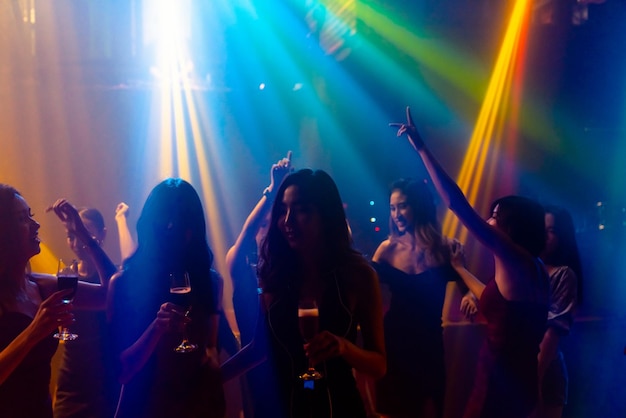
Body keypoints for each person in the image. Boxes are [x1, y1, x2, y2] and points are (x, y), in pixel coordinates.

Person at [391, 107, 549, 418]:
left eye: (495, 216)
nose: (488, 220)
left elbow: (456, 204)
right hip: (521, 381)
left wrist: (421, 148)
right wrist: (461, 269)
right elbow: (502, 306)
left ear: (511, 228)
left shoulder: (513, 256)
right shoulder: (535, 267)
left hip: (500, 383)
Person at [221, 168, 386, 418]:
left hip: (338, 406)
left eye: (300, 210)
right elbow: (260, 348)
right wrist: (211, 379)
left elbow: (379, 365)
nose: (287, 221)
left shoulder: (359, 275)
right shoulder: (272, 273)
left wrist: (344, 347)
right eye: (283, 211)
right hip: (283, 407)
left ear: (326, 215)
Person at [107, 178, 225, 418]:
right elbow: (119, 371)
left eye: (182, 218)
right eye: (165, 217)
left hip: (197, 409)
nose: (172, 226)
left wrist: (211, 362)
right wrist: (156, 329)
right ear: (150, 222)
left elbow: (210, 348)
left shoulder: (209, 282)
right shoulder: (124, 284)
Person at [0, 185, 112, 418]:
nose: (36, 224)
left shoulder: (41, 286)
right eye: (23, 218)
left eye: (31, 215)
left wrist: (82, 233)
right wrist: (33, 332)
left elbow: (110, 293)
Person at [371, 177, 473, 418]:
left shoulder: (447, 248)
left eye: (403, 206)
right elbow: (364, 293)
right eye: (393, 208)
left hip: (429, 346)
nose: (396, 214)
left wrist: (470, 297)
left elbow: (468, 288)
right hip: (394, 346)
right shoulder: (387, 249)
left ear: (420, 206)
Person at [224, 151, 292, 417]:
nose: (264, 231)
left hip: (292, 371)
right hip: (255, 373)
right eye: (260, 226)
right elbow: (246, 233)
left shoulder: (285, 269)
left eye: (269, 225)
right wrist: (272, 190)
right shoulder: (242, 267)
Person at [53, 207, 119, 418]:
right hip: (72, 380)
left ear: (102, 234)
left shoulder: (113, 275)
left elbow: (112, 290)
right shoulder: (65, 276)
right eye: (70, 235)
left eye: (83, 232)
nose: (75, 242)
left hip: (105, 380)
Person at [531, 205, 582, 418]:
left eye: (551, 230)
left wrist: (534, 381)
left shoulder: (564, 275)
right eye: (542, 229)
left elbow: (552, 334)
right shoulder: (529, 265)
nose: (545, 235)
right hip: (523, 367)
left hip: (545, 370)